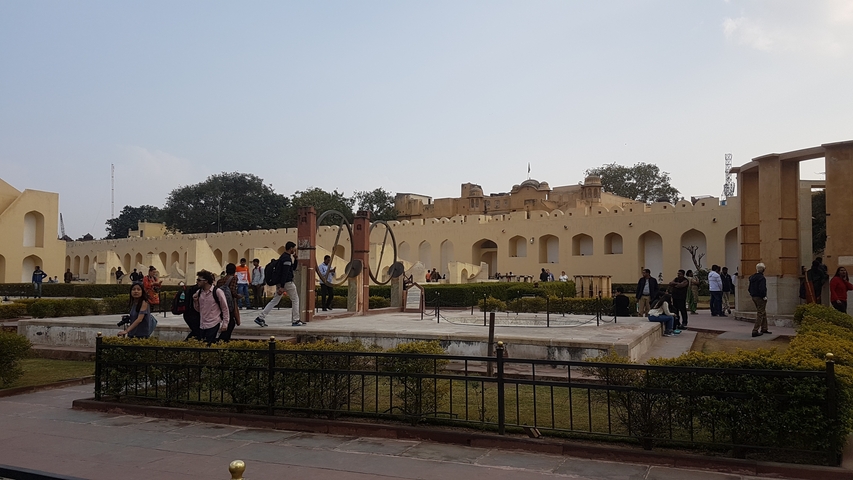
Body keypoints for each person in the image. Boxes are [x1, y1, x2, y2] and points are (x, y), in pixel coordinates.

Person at [255, 241, 303, 327]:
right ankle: (296, 320)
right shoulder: (286, 259)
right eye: (294, 248)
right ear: (291, 248)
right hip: (287, 283)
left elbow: (293, 268)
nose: (295, 250)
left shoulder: (284, 257)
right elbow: (284, 273)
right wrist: (282, 286)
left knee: (275, 301)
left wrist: (296, 259)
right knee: (295, 299)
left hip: (282, 283)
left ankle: (260, 317)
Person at [192, 270, 229, 344]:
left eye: (199, 280)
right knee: (203, 345)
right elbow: (199, 310)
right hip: (202, 325)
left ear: (206, 281)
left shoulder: (217, 292)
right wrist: (195, 301)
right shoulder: (199, 292)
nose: (197, 282)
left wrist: (225, 323)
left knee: (209, 345)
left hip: (213, 323)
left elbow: (225, 308)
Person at [216, 263, 242, 341]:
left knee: (227, 321)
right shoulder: (233, 278)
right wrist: (238, 296)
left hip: (221, 303)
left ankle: (224, 339)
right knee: (231, 323)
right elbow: (232, 291)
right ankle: (223, 340)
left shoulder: (220, 280)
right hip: (229, 304)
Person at [748, 263, 771, 337]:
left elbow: (749, 288)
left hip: (754, 296)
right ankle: (755, 330)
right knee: (760, 313)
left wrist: (752, 294)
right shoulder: (762, 278)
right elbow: (762, 288)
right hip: (760, 297)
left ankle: (764, 328)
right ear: (763, 270)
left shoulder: (752, 277)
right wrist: (764, 296)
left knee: (762, 312)